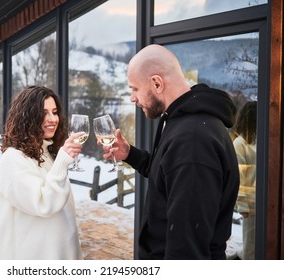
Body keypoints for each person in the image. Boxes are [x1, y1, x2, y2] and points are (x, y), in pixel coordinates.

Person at [101, 44, 240, 259]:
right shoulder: (181, 120)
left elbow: (187, 250)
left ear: (157, 83)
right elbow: (166, 173)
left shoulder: (193, 142)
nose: (132, 98)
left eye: (134, 88)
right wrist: (130, 154)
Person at [0, 85, 83, 260]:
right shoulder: (12, 160)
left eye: (55, 112)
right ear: (27, 117)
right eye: (44, 113)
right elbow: (45, 203)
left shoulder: (46, 153)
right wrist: (63, 161)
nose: (52, 119)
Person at [233, 101, 257, 260]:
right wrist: (243, 206)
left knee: (255, 245)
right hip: (252, 206)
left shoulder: (257, 142)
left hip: (261, 203)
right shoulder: (240, 145)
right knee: (251, 248)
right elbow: (239, 178)